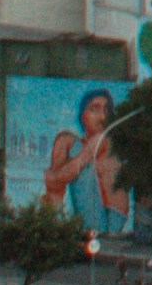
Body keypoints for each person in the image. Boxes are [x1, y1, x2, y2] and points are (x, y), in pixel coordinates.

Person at [39, 84, 123, 230]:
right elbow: (56, 180)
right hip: (96, 218)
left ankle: (51, 224)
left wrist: (52, 177)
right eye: (94, 109)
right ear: (82, 115)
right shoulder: (79, 143)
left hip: (108, 221)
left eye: (106, 110)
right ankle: (52, 221)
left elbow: (64, 174)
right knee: (65, 140)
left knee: (66, 142)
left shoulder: (105, 139)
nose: (102, 117)